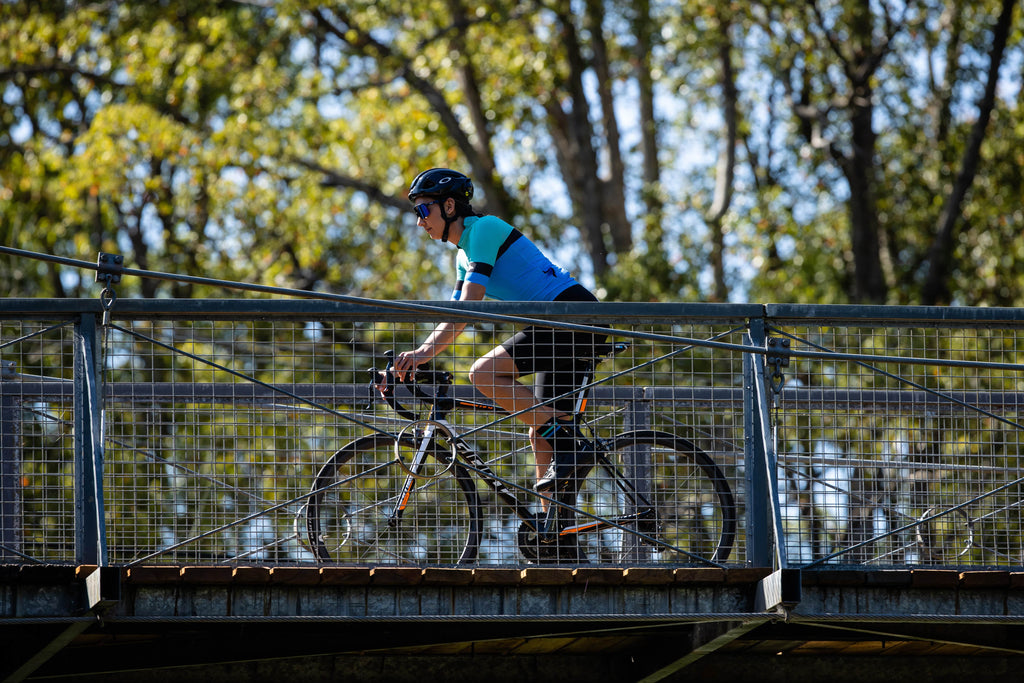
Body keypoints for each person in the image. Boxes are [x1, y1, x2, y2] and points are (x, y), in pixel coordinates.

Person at [391, 168, 606, 492]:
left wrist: (422, 354)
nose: (420, 221)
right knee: (542, 434)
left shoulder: (484, 230)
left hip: (572, 316)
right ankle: (555, 537)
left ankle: (571, 446)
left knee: (483, 373)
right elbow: (452, 316)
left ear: (449, 206)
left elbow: (470, 306)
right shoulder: (464, 256)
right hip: (558, 324)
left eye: (424, 210)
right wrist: (408, 363)